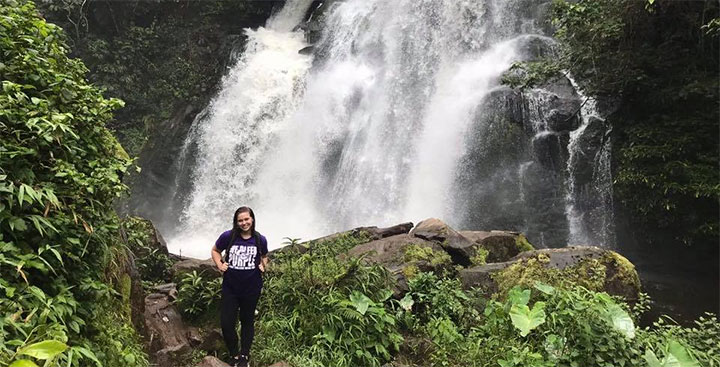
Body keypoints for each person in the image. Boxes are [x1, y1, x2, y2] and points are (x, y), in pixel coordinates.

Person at [211, 206, 269, 367]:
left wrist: (263, 265)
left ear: (252, 219)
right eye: (240, 220)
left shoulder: (260, 239)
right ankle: (233, 354)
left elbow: (264, 256)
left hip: (252, 288)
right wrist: (219, 264)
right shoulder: (228, 236)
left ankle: (244, 355)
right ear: (236, 222)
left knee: (247, 321)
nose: (244, 223)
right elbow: (215, 250)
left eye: (246, 219)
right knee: (227, 323)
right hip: (230, 288)